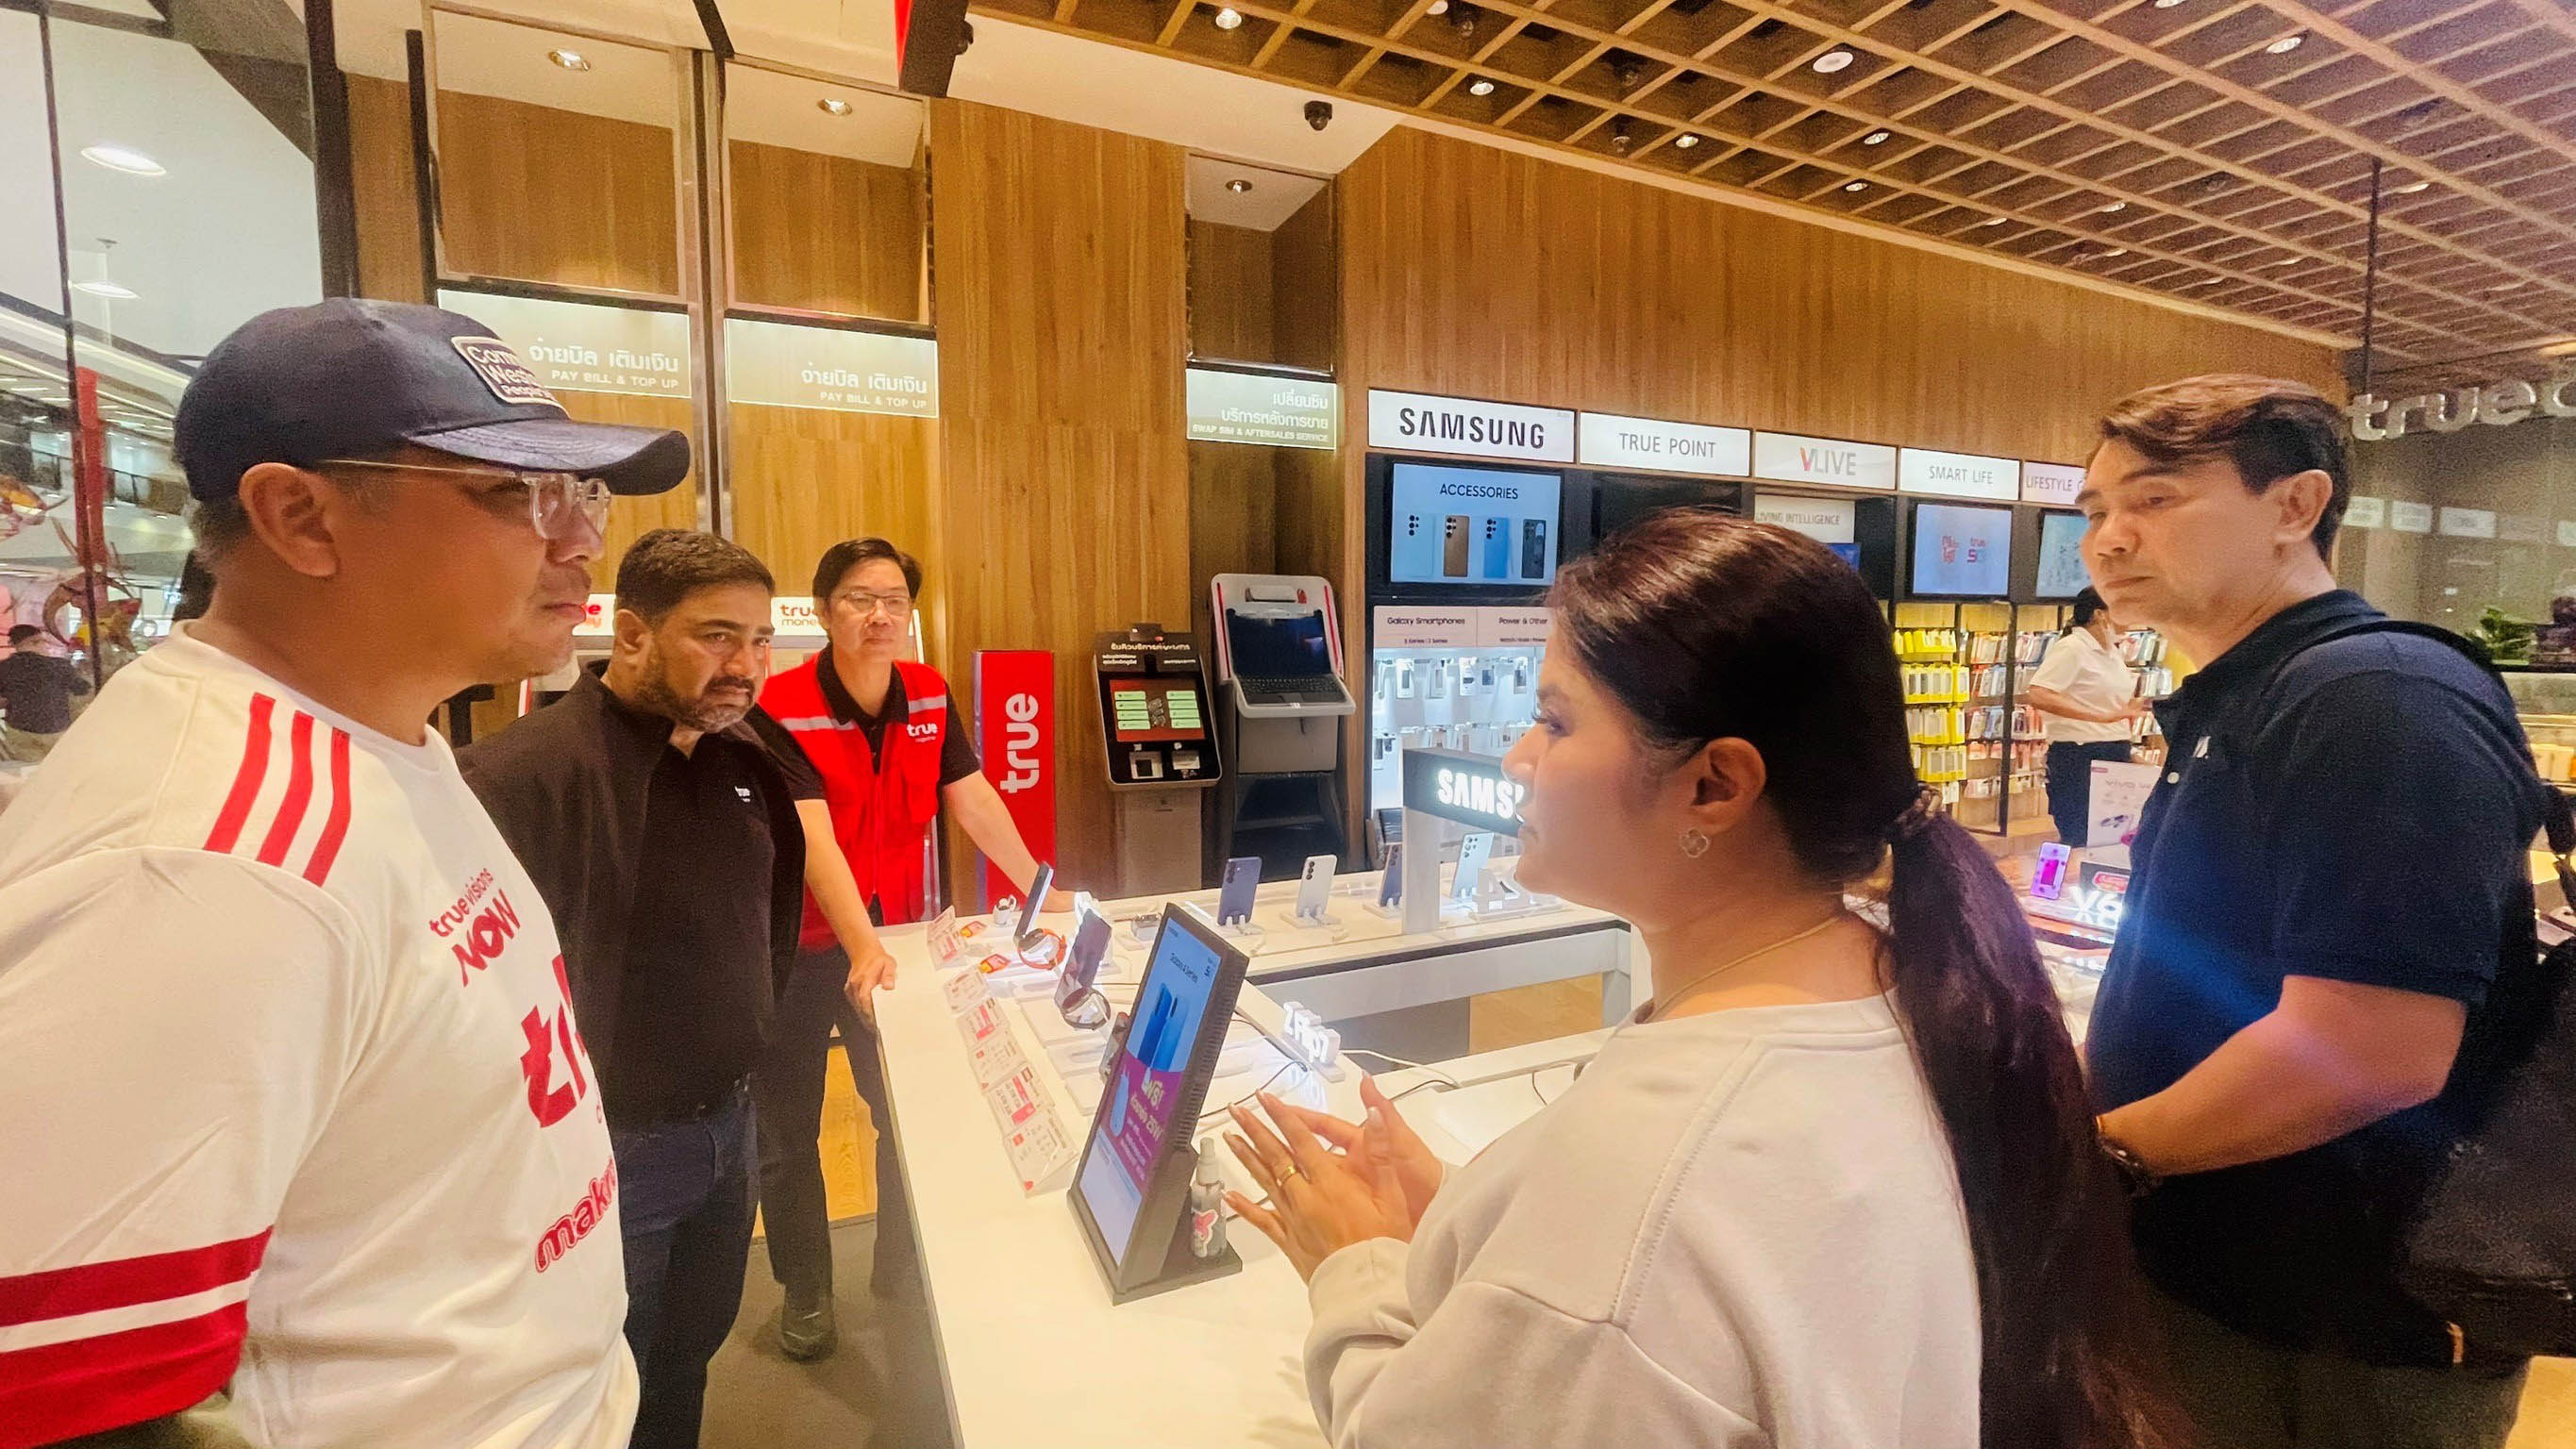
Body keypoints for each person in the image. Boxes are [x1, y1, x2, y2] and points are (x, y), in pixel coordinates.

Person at [1221, 510, 2177, 1449]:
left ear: (1714, 786)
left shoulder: (1651, 1174)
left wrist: (1357, 1271)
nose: (1518, 758)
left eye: (1554, 721)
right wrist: (1479, 1220)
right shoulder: (1911, 999)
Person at [0, 297, 689, 1446]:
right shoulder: (204, 864)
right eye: (517, 492)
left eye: (582, 493)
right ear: (300, 517)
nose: (580, 540)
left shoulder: (380, 737)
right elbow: (69, 1399)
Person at [2080, 375, 2548, 1448]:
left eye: (2154, 499)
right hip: (2232, 1284)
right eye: (2097, 510)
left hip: (2338, 1325)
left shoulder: (2376, 699)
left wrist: (2101, 1154)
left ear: (2296, 505)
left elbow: (2375, 1047)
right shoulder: (2256, 695)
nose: (2111, 537)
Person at [460, 530, 809, 1449]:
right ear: (631, 634)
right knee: (602, 1383)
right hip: (611, 1148)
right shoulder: (524, 774)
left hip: (731, 1126)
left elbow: (772, 913)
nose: (747, 666)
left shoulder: (744, 756)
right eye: (717, 637)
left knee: (690, 1353)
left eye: (761, 641)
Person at [753, 536, 1057, 1359]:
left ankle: (900, 1266)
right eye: (860, 599)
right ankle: (807, 1289)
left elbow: (973, 798)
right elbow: (811, 839)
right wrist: (860, 948)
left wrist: (1041, 887)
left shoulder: (927, 693)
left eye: (894, 600)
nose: (880, 615)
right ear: (824, 612)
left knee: (904, 1112)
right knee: (786, 1131)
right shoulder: (779, 704)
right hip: (794, 948)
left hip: (897, 941)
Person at [2025, 586, 2149, 848]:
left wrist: (2127, 744)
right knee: (2078, 837)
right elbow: (2039, 694)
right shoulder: (2072, 648)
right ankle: (2056, 875)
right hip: (2079, 756)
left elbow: (2110, 706)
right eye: (2123, 610)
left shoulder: (2112, 651)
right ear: (2099, 614)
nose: (2130, 619)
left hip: (2113, 753)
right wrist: (2100, 717)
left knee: (2109, 841)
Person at [0, 622, 92, 760]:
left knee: (28, 768)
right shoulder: (59, 665)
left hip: (20, 732)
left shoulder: (4, 668)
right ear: (36, 641)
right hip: (56, 731)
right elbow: (83, 690)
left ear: (13, 643)